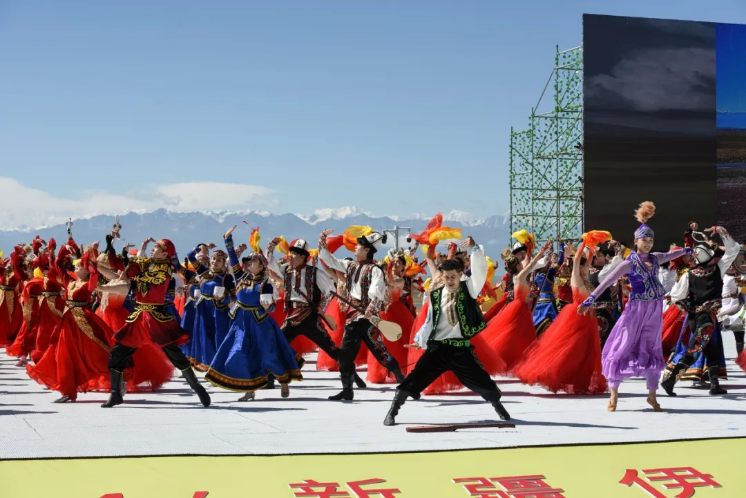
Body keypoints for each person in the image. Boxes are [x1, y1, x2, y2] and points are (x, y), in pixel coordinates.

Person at [382, 236, 509, 426]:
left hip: (460, 350)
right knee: (414, 379)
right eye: (446, 277)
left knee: (483, 381)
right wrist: (420, 340)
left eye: (453, 277)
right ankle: (393, 411)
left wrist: (475, 249)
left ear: (460, 274)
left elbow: (480, 271)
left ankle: (499, 408)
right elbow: (429, 322)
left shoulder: (469, 289)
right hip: (438, 349)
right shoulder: (436, 295)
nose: (449, 280)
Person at [578, 202, 690, 412]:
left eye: (650, 240)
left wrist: (687, 249)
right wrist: (589, 300)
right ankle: (613, 395)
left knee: (652, 347)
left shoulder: (655, 258)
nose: (648, 244)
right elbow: (606, 281)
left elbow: (671, 255)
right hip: (636, 309)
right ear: (636, 241)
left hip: (655, 308)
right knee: (624, 343)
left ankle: (652, 396)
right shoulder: (628, 263)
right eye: (644, 240)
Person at [101, 238, 210, 408]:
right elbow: (120, 265)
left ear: (165, 254)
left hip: (155, 317)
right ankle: (115, 394)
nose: (153, 249)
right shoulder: (145, 263)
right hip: (138, 316)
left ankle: (197, 387)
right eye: (153, 247)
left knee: (175, 355)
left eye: (157, 247)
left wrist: (132, 269)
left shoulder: (165, 268)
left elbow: (152, 279)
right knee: (116, 354)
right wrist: (111, 247)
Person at [205, 228, 302, 400]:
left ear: (262, 266)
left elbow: (271, 307)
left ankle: (283, 380)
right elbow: (232, 260)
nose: (249, 263)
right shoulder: (240, 277)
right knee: (240, 353)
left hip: (260, 324)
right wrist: (228, 240)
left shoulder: (265, 284)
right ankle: (249, 390)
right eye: (248, 261)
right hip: (240, 324)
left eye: (253, 261)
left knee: (269, 355)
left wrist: (267, 306)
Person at [318, 229, 409, 401]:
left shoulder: (375, 270)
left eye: (358, 246)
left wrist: (371, 308)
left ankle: (405, 384)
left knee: (381, 355)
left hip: (368, 321)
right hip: (353, 319)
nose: (355, 248)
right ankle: (347, 390)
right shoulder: (350, 265)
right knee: (344, 357)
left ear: (367, 249)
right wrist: (322, 240)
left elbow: (377, 293)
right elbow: (329, 260)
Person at [514, 241, 607, 394]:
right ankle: (555, 375)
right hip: (578, 319)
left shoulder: (586, 280)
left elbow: (587, 259)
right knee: (573, 351)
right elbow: (577, 260)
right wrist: (584, 243)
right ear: (579, 267)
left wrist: (592, 246)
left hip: (589, 320)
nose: (588, 267)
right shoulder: (576, 278)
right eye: (585, 266)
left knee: (588, 352)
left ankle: (581, 383)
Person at [661, 226, 739, 396]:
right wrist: (721, 231)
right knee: (694, 350)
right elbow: (734, 249)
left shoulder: (689, 275)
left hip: (693, 318)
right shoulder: (719, 269)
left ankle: (714, 386)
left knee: (712, 351)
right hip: (706, 319)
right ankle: (670, 380)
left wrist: (689, 308)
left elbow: (676, 296)